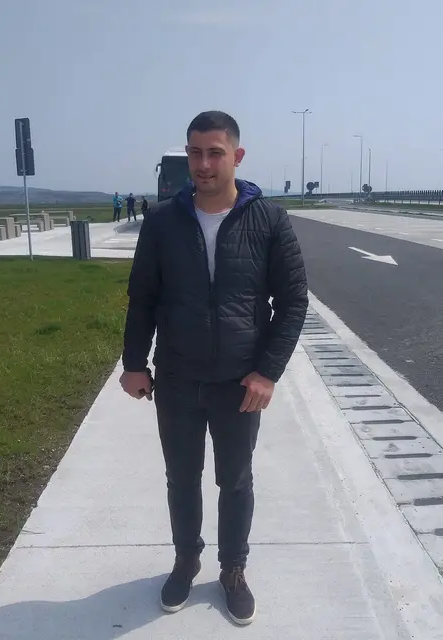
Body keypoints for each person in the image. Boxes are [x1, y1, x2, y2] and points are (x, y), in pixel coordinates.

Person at [120, 111, 308, 625]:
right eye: (195, 153)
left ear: (237, 157)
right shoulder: (162, 221)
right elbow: (143, 297)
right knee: (181, 478)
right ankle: (186, 559)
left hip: (239, 382)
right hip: (177, 378)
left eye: (215, 153)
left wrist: (267, 372)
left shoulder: (269, 220)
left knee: (236, 480)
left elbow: (294, 301)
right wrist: (134, 364)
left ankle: (233, 569)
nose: (203, 164)